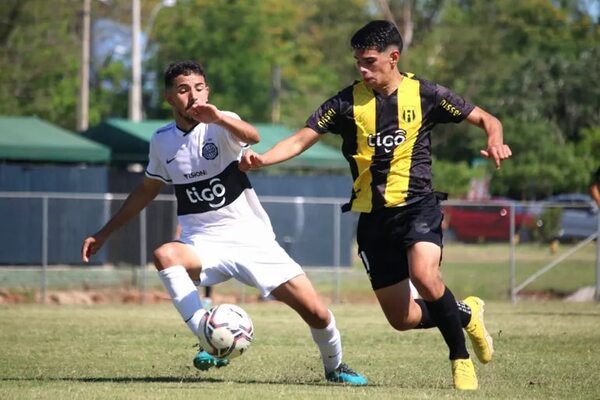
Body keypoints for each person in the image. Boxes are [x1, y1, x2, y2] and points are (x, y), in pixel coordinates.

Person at [240, 20, 512, 391]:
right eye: (358, 63)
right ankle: (466, 312)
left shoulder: (426, 94)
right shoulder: (344, 103)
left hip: (418, 206)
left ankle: (460, 359)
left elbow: (486, 119)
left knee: (425, 276)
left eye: (369, 61)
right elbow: (301, 139)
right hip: (372, 218)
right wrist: (264, 159)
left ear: (393, 57)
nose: (363, 69)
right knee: (402, 318)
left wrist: (495, 140)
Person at [81, 60, 367, 385]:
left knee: (316, 312)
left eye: (199, 88)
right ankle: (207, 336)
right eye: (183, 89)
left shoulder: (221, 122)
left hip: (252, 240)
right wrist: (103, 233)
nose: (194, 96)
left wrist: (218, 117)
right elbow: (146, 190)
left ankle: (335, 367)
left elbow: (253, 136)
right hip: (202, 242)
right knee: (165, 255)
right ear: (169, 98)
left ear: (208, 91)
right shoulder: (162, 141)